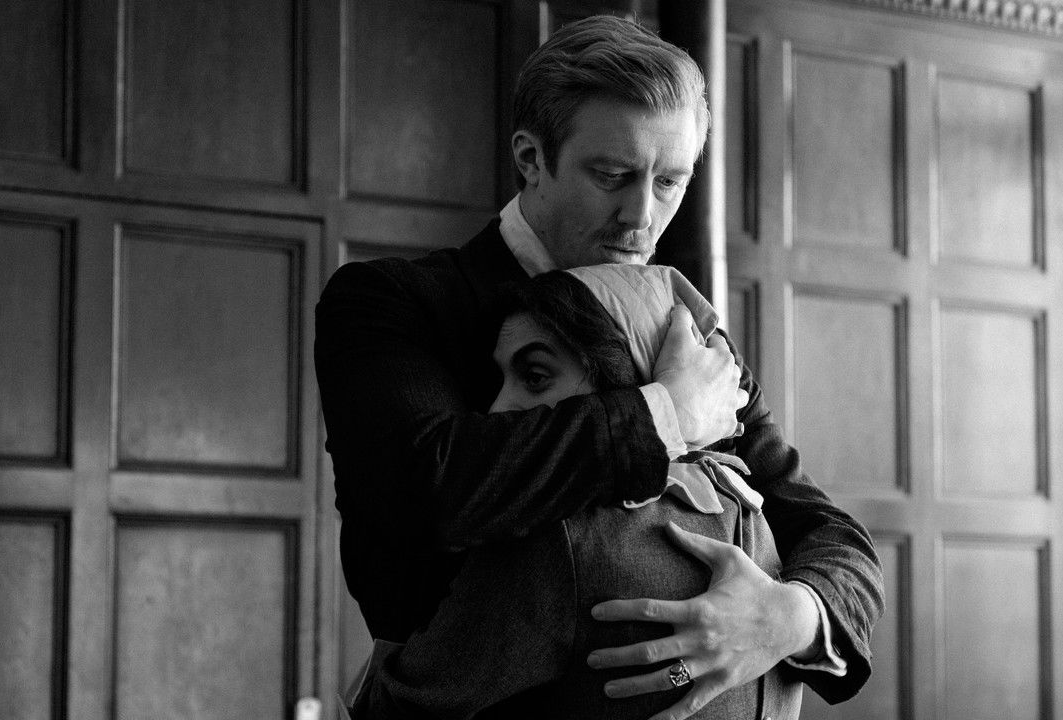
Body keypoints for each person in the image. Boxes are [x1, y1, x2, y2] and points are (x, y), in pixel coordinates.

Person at [315, 15, 883, 719]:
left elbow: (831, 536)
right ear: (531, 158)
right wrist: (668, 414)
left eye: (669, 181)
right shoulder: (391, 303)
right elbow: (425, 491)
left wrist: (787, 617)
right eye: (612, 176)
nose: (641, 216)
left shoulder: (690, 339)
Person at [353, 264, 805, 719]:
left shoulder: (560, 542)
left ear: (624, 376)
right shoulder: (759, 520)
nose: (497, 407)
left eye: (534, 376)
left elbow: (397, 710)